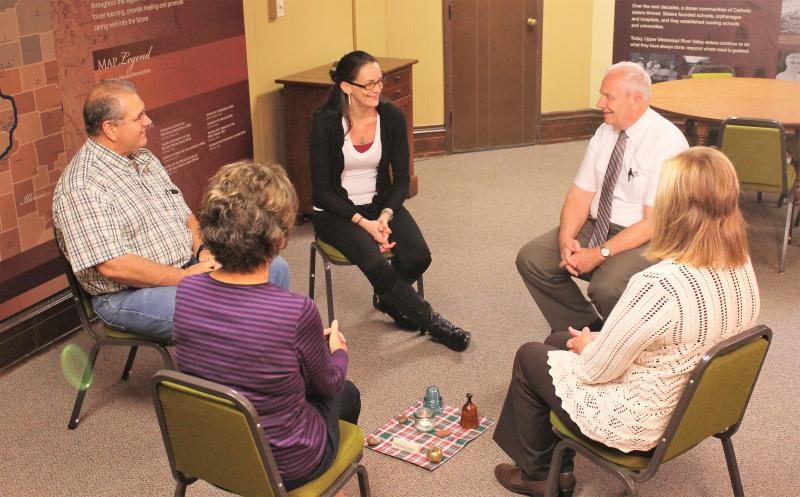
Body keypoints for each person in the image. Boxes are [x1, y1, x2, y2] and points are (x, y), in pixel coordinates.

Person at [493, 147, 760, 497]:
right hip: (696, 409)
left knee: (530, 356)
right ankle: (553, 459)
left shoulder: (660, 284)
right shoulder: (740, 264)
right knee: (558, 339)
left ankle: (542, 475)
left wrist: (590, 346)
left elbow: (595, 371)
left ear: (673, 210)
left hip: (647, 421)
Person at [52, 79, 289, 341]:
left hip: (186, 265)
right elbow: (113, 266)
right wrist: (185, 277)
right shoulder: (81, 186)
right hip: (127, 293)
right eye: (139, 117)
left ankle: (268, 358)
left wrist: (204, 251)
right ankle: (244, 371)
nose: (148, 121)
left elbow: (184, 214)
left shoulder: (144, 159)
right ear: (110, 129)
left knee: (274, 267)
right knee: (223, 307)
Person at [173, 161, 360, 493]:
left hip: (213, 453)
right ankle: (333, 486)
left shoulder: (186, 291)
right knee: (347, 394)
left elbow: (230, 351)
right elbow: (328, 384)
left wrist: (299, 347)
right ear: (279, 240)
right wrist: (338, 352)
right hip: (287, 465)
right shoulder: (295, 312)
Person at [310, 50, 470, 352]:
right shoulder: (325, 122)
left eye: (379, 82)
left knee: (418, 256)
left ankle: (387, 298)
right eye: (367, 85)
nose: (377, 89)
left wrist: (384, 215)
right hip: (335, 212)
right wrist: (364, 224)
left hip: (377, 204)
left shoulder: (391, 117)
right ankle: (434, 323)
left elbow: (400, 181)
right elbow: (321, 191)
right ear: (346, 87)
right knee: (374, 262)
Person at [516, 61, 688, 334]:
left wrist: (600, 253)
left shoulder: (667, 142)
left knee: (606, 288)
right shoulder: (604, 132)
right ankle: (590, 332)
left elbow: (653, 223)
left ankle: (626, 344)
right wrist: (566, 240)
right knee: (533, 259)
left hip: (646, 234)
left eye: (608, 97)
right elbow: (579, 194)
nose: (599, 103)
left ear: (637, 100)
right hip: (600, 224)